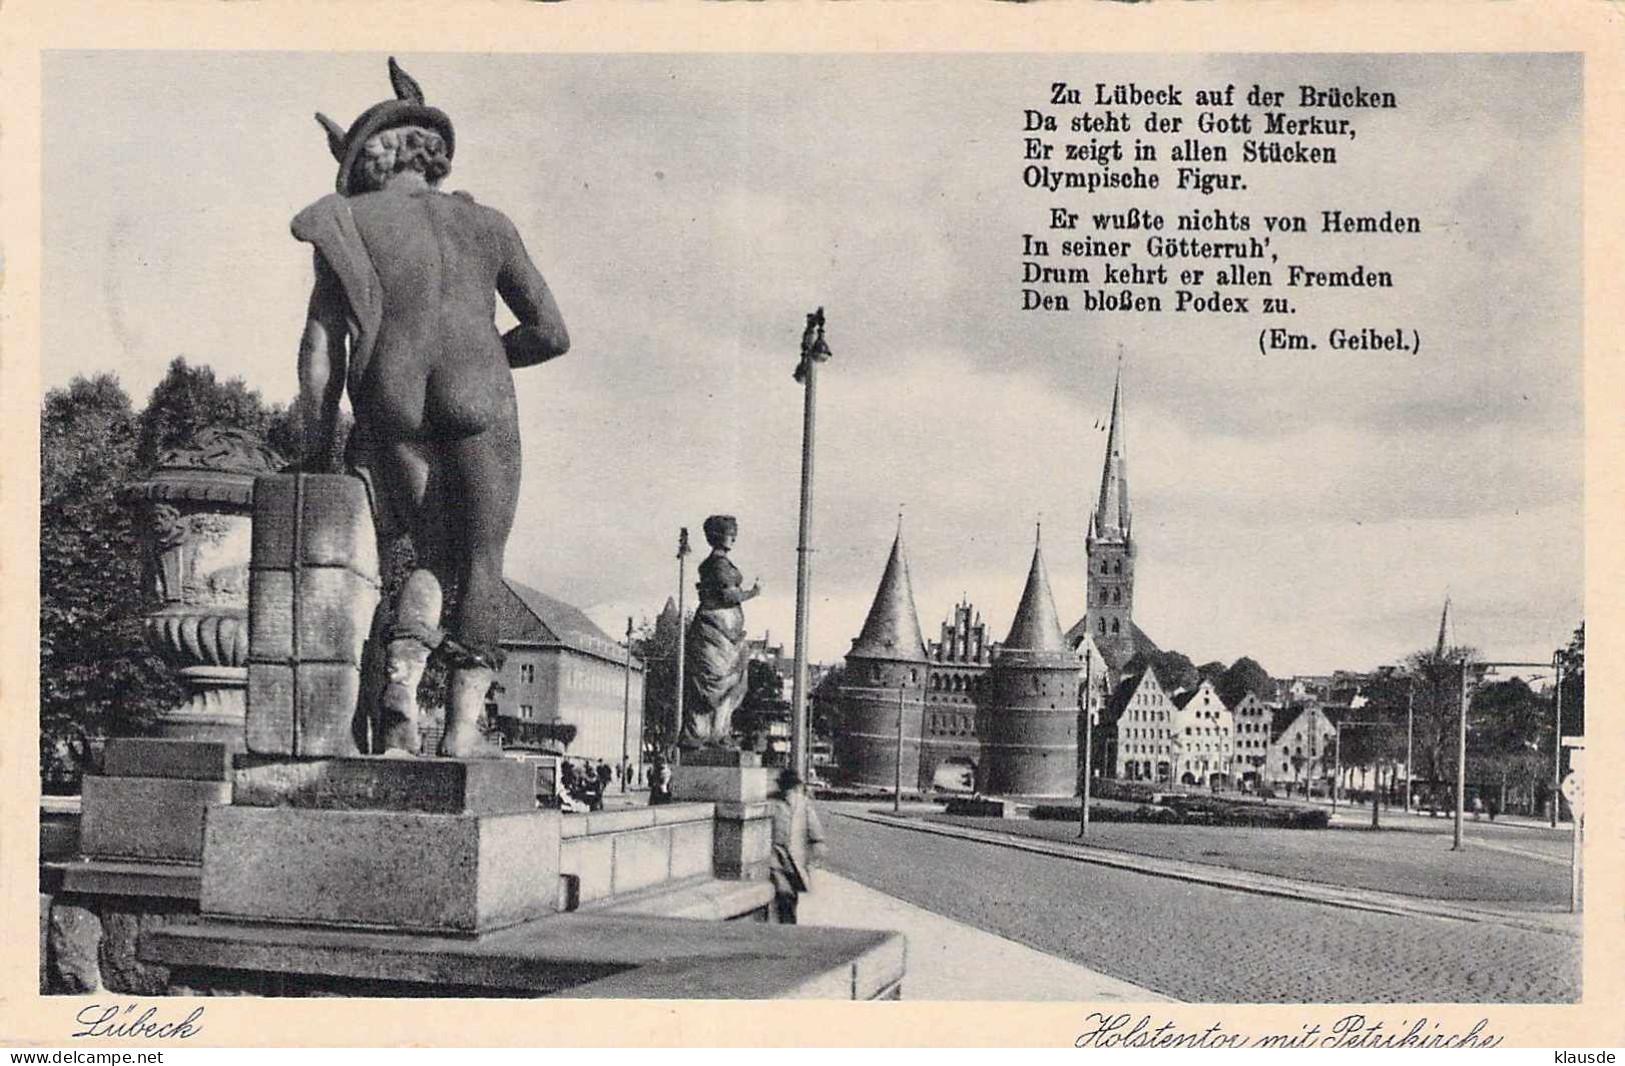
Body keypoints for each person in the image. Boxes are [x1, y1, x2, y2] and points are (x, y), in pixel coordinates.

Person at [294, 58, 569, 757]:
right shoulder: (488, 224)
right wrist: (486, 361)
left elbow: (320, 353)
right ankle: (462, 729)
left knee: (428, 551)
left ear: (365, 161)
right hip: (479, 388)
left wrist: (318, 448)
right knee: (478, 559)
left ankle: (399, 690)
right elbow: (551, 333)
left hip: (390, 391)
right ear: (432, 153)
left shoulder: (345, 223)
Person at [681, 515, 760, 748]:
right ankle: (701, 734)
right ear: (717, 535)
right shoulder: (716, 565)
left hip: (727, 633)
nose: (734, 536)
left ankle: (718, 732)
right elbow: (727, 596)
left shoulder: (721, 563)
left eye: (734, 532)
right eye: (730, 532)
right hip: (714, 631)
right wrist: (753, 592)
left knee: (732, 682)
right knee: (715, 682)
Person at [767, 769, 826, 925]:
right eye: (786, 787)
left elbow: (814, 829)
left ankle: (789, 926)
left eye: (791, 788)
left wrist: (816, 848)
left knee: (792, 896)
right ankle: (785, 926)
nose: (789, 791)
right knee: (783, 892)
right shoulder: (771, 802)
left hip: (796, 858)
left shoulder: (803, 803)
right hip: (776, 857)